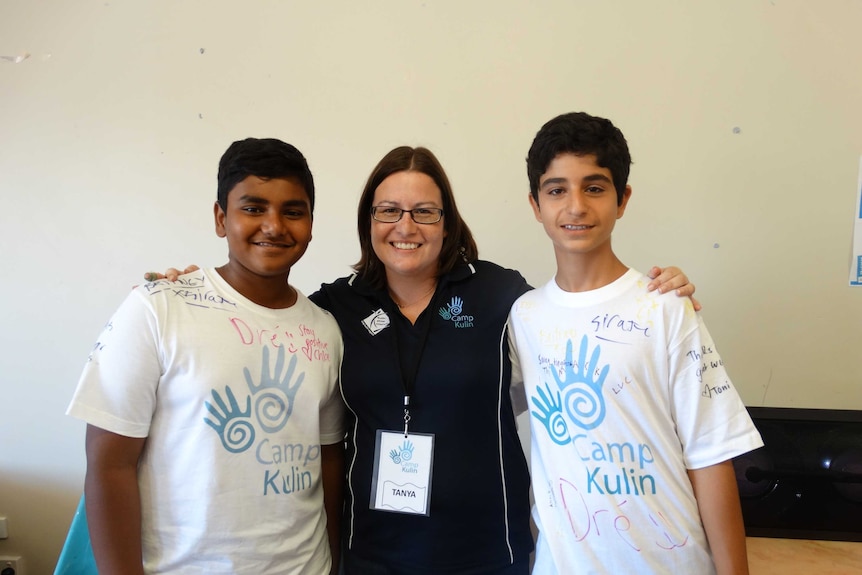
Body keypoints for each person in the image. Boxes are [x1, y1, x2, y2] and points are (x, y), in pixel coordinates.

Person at [154, 146, 695, 574]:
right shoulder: (333, 308)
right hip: (372, 553)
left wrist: (651, 295)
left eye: (424, 212)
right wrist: (196, 292)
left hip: (488, 552)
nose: (405, 226)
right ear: (368, 220)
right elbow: (263, 321)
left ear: (448, 221)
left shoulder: (501, 296)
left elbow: (577, 322)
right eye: (388, 210)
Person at [67, 138, 345, 575]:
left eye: (293, 211)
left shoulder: (326, 329)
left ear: (311, 222)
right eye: (253, 208)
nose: (273, 226)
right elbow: (108, 463)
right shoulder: (158, 307)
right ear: (221, 218)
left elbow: (328, 459)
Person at [507, 112, 763, 574]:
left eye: (595, 187)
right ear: (535, 203)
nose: (576, 206)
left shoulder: (665, 306)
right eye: (557, 189)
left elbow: (709, 457)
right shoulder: (522, 317)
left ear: (622, 200)